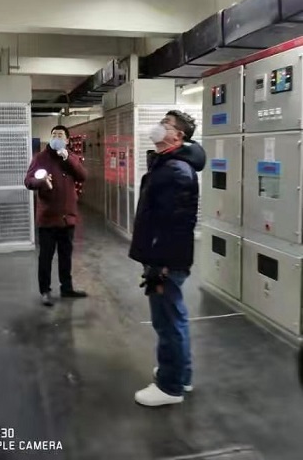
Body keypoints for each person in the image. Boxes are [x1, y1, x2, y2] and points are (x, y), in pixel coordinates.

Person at [129, 110, 206, 406]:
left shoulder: (176, 170)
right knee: (174, 318)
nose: (159, 127)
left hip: (165, 260)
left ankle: (169, 387)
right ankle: (180, 375)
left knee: (167, 322)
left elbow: (175, 224)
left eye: (166, 124)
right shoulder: (168, 163)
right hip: (165, 256)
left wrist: (159, 264)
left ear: (178, 135)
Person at [25, 125, 88, 307]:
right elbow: (28, 181)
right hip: (48, 217)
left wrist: (68, 158)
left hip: (67, 217)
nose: (56, 137)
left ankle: (67, 288)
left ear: (67, 140)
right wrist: (41, 181)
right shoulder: (41, 158)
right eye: (54, 135)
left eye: (60, 135)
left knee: (65, 256)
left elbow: (82, 176)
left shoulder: (72, 157)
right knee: (45, 257)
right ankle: (45, 291)